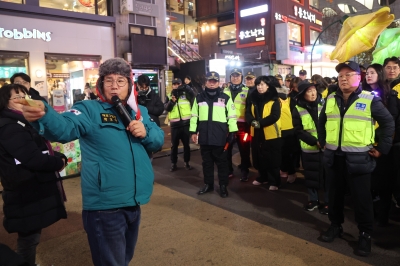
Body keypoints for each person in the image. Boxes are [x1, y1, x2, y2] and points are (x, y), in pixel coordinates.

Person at [17, 58, 164, 266]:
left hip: (135, 202)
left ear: (129, 85)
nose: (114, 85)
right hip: (105, 207)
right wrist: (44, 114)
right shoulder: (88, 109)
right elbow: (64, 127)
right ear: (101, 85)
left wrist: (145, 131)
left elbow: (158, 140)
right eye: (109, 80)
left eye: (121, 81)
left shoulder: (139, 112)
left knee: (124, 259)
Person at [318, 61, 394, 257]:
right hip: (334, 158)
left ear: (358, 78)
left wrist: (381, 149)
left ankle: (365, 234)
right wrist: (322, 142)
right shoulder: (331, 99)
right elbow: (322, 122)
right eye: (341, 75)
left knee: (362, 200)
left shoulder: (370, 99)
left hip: (359, 159)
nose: (343, 78)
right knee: (333, 196)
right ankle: (335, 226)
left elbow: (388, 123)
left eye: (348, 74)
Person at [0, 84, 67, 266]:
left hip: (31, 187)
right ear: (5, 103)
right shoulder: (10, 127)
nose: (22, 100)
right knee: (28, 238)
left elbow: (38, 150)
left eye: (24, 95)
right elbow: (32, 158)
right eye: (16, 97)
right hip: (25, 190)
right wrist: (59, 162)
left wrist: (56, 155)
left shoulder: (23, 121)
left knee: (31, 235)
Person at [362, 63, 400, 226]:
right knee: (371, 183)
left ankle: (382, 216)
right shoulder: (362, 94)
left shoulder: (390, 95)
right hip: (366, 144)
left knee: (384, 184)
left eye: (372, 72)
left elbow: (390, 122)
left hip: (384, 146)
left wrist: (383, 145)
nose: (368, 76)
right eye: (367, 73)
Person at [190, 71, 238, 197]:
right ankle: (208, 185)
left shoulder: (226, 98)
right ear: (206, 82)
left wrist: (232, 132)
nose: (212, 83)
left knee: (222, 164)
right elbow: (194, 116)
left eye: (214, 81)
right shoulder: (199, 97)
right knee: (207, 163)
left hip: (220, 137)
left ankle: (223, 186)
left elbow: (232, 117)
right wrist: (193, 131)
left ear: (218, 82)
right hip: (204, 137)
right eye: (209, 81)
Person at [292, 80, 329, 214]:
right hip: (309, 148)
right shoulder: (297, 108)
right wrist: (314, 141)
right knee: (310, 175)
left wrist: (324, 140)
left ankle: (328, 202)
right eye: (309, 91)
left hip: (326, 147)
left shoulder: (325, 104)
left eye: (314, 90)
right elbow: (298, 130)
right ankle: (314, 200)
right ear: (302, 94)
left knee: (327, 176)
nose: (313, 93)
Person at [246, 76, 282, 190]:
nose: (259, 87)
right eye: (258, 85)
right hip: (256, 132)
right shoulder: (253, 98)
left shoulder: (274, 99)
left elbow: (275, 116)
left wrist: (260, 123)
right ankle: (263, 177)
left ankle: (274, 181)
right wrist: (252, 121)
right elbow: (248, 113)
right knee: (258, 156)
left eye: (262, 84)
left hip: (271, 133)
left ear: (268, 86)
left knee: (272, 158)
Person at [224, 69, 252, 181]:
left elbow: (249, 109)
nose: (235, 78)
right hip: (227, 125)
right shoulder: (224, 91)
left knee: (244, 149)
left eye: (238, 76)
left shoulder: (247, 91)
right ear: (230, 77)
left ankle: (244, 170)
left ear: (241, 77)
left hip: (242, 126)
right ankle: (229, 170)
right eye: (233, 76)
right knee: (227, 149)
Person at [165, 78, 195, 171]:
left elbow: (194, 97)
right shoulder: (169, 95)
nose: (176, 85)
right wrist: (172, 101)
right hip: (175, 125)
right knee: (174, 146)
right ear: (172, 85)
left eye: (178, 84)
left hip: (186, 123)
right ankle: (173, 163)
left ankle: (187, 162)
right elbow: (166, 108)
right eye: (175, 84)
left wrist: (187, 89)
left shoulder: (186, 94)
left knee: (186, 145)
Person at [274, 76, 296, 183]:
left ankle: (291, 172)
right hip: (276, 128)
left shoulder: (285, 96)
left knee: (287, 153)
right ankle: (283, 169)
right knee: (279, 152)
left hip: (287, 128)